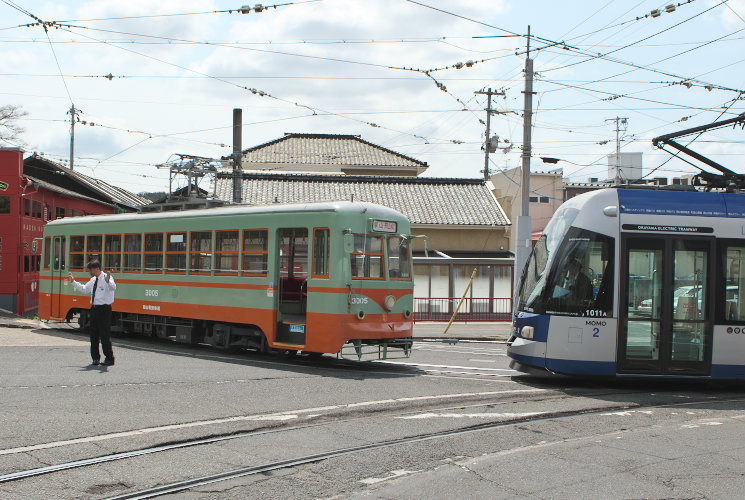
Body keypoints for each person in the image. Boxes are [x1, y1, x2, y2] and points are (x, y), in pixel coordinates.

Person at [68, 260, 116, 366]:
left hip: (104, 309)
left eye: (90, 270)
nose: (89, 272)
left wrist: (108, 281)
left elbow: (113, 287)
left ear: (97, 269)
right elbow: (85, 289)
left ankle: (109, 358)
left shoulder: (106, 278)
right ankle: (95, 358)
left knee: (104, 335)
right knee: (93, 334)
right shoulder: (93, 280)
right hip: (94, 308)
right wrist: (73, 282)